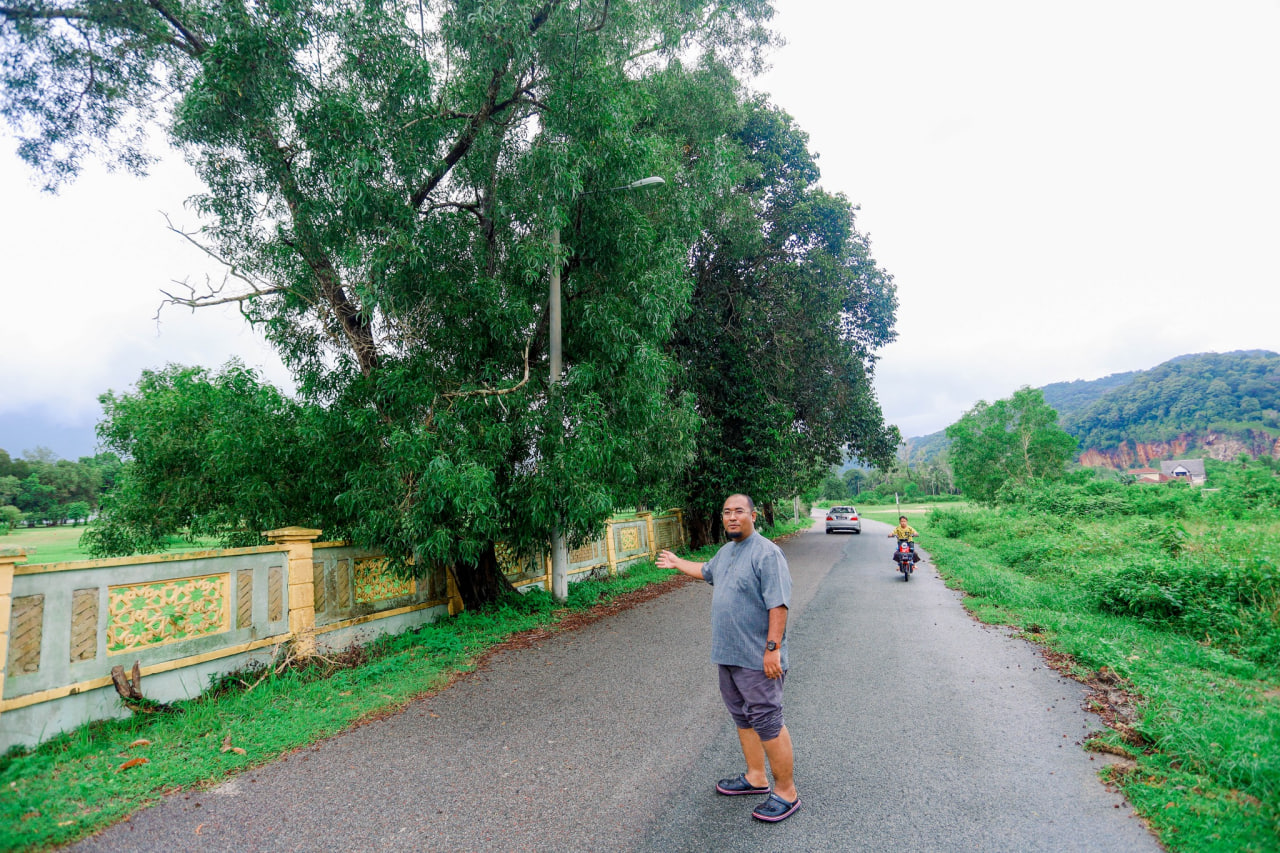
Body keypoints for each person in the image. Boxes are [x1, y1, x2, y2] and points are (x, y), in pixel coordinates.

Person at [656, 493, 801, 823]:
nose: (732, 517)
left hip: (757, 658)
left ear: (753, 515)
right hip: (729, 655)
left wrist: (772, 649)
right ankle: (755, 777)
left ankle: (786, 792)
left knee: (768, 720)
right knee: (743, 717)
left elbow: (778, 604)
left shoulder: (767, 554)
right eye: (726, 512)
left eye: (739, 511)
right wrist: (678, 563)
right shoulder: (727, 552)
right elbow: (706, 572)